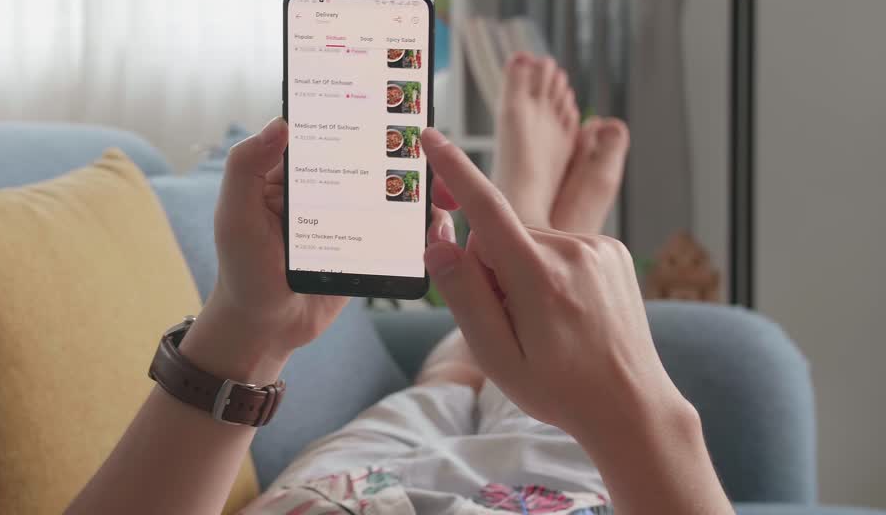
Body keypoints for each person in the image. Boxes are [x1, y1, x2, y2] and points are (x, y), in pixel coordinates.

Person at [69, 54, 733, 515]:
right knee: (519, 401)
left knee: (445, 385)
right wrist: (641, 412)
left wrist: (248, 325)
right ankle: (528, 226)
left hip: (347, 497)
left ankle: (526, 227)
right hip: (551, 495)